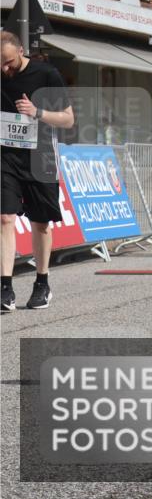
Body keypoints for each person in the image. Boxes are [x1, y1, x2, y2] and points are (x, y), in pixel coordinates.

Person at [1, 31, 74, 312]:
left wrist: (38, 112)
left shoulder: (46, 74)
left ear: (21, 50)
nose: (4, 69)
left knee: (40, 223)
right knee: (5, 217)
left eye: (8, 62)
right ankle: (5, 288)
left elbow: (68, 120)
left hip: (39, 156)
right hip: (5, 156)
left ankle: (42, 282)